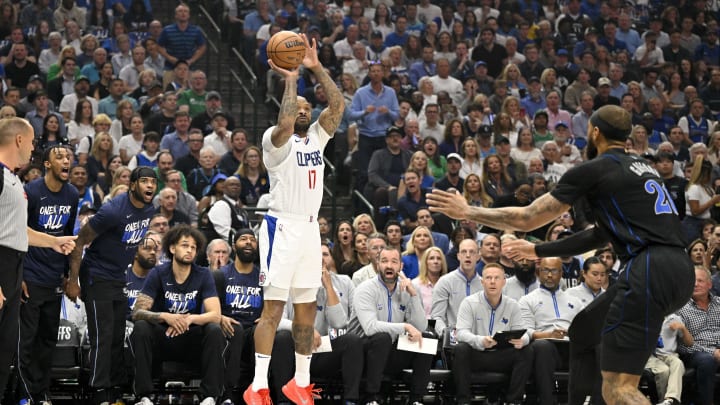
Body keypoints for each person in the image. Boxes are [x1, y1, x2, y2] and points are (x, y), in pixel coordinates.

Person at [427, 104, 695, 405]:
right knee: (584, 330)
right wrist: (538, 249)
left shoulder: (596, 169)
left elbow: (528, 218)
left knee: (619, 388)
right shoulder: (644, 169)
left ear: (594, 132)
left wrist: (469, 211)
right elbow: (599, 235)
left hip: (649, 269)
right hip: (681, 268)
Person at [243, 33, 345, 405]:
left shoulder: (318, 137)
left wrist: (316, 68)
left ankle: (299, 381)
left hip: (309, 229)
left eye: (306, 107)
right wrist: (290, 78)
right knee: (272, 310)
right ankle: (257, 385)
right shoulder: (275, 140)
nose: (303, 111)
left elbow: (337, 106)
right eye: (298, 106)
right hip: (280, 227)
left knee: (307, 308)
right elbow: (285, 123)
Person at [65, 166, 157, 405]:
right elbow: (80, 242)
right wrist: (73, 281)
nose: (149, 186)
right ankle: (98, 392)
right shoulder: (112, 211)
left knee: (117, 335)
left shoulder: (150, 208)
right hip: (96, 274)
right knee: (103, 336)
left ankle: (114, 389)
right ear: (133, 185)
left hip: (118, 275)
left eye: (153, 182)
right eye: (144, 181)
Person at [0, 118, 77, 403]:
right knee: (16, 343)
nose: (33, 148)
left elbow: (18, 229)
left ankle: (30, 394)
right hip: (13, 269)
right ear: (19, 140)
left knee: (24, 344)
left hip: (30, 268)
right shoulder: (18, 184)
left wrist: (55, 243)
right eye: (32, 142)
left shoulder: (14, 179)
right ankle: (21, 394)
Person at [130, 225, 223, 405]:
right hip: (163, 338)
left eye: (193, 247)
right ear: (172, 248)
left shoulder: (203, 274)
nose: (189, 250)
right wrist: (165, 316)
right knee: (141, 328)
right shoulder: (158, 273)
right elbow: (137, 312)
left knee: (214, 330)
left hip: (190, 338)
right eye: (185, 245)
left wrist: (189, 319)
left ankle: (209, 397)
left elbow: (215, 315)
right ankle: (144, 397)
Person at [17, 146, 78, 405]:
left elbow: (67, 236)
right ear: (47, 164)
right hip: (30, 275)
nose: (66, 161)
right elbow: (18, 234)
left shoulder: (73, 194)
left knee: (47, 341)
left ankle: (40, 393)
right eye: (60, 157)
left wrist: (67, 276)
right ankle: (24, 394)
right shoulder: (31, 191)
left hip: (54, 277)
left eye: (68, 157)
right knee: (26, 341)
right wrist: (17, 276)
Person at [272, 242, 363, 404]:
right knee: (282, 337)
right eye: (315, 254)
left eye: (325, 254)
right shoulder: (289, 283)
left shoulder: (343, 281)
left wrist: (328, 287)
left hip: (324, 350)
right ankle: (283, 400)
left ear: (332, 260)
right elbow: (276, 321)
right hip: (296, 351)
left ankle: (351, 400)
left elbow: (339, 323)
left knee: (352, 341)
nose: (320, 258)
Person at [347, 247, 433, 405]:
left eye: (394, 262)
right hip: (363, 353)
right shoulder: (365, 289)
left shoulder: (408, 289)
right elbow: (370, 327)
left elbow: (420, 327)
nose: (389, 266)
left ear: (400, 266)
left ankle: (416, 398)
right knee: (382, 338)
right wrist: (405, 327)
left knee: (425, 339)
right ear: (377, 264)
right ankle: (371, 397)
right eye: (384, 261)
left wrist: (413, 295)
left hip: (391, 351)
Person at [454, 263, 533, 405]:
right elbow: (460, 333)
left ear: (504, 282)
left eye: (497, 278)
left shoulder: (513, 305)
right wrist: (480, 340)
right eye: (488, 278)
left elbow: (524, 333)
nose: (492, 282)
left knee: (526, 350)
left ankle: (514, 401)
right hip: (477, 355)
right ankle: (463, 401)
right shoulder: (469, 302)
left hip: (501, 356)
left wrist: (523, 340)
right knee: (460, 349)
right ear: (482, 281)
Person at [216, 229, 263, 403]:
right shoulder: (221, 274)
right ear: (234, 246)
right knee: (235, 328)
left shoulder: (263, 277)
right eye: (244, 239)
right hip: (228, 327)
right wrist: (220, 317)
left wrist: (266, 317)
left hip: (253, 330)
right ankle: (228, 395)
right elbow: (210, 306)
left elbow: (272, 306)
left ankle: (257, 391)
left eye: (253, 239)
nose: (249, 242)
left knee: (263, 331)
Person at [677, 266, 720, 405]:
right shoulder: (681, 308)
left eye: (700, 281)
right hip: (696, 352)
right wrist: (713, 352)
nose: (695, 284)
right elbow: (682, 346)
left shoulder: (719, 304)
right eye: (693, 281)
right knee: (707, 361)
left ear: (710, 284)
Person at [430, 238, 483, 336]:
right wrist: (446, 333)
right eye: (464, 252)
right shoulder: (445, 281)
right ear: (458, 256)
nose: (467, 255)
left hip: (478, 339)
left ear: (478, 256)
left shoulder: (484, 284)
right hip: (453, 338)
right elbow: (437, 316)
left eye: (472, 252)